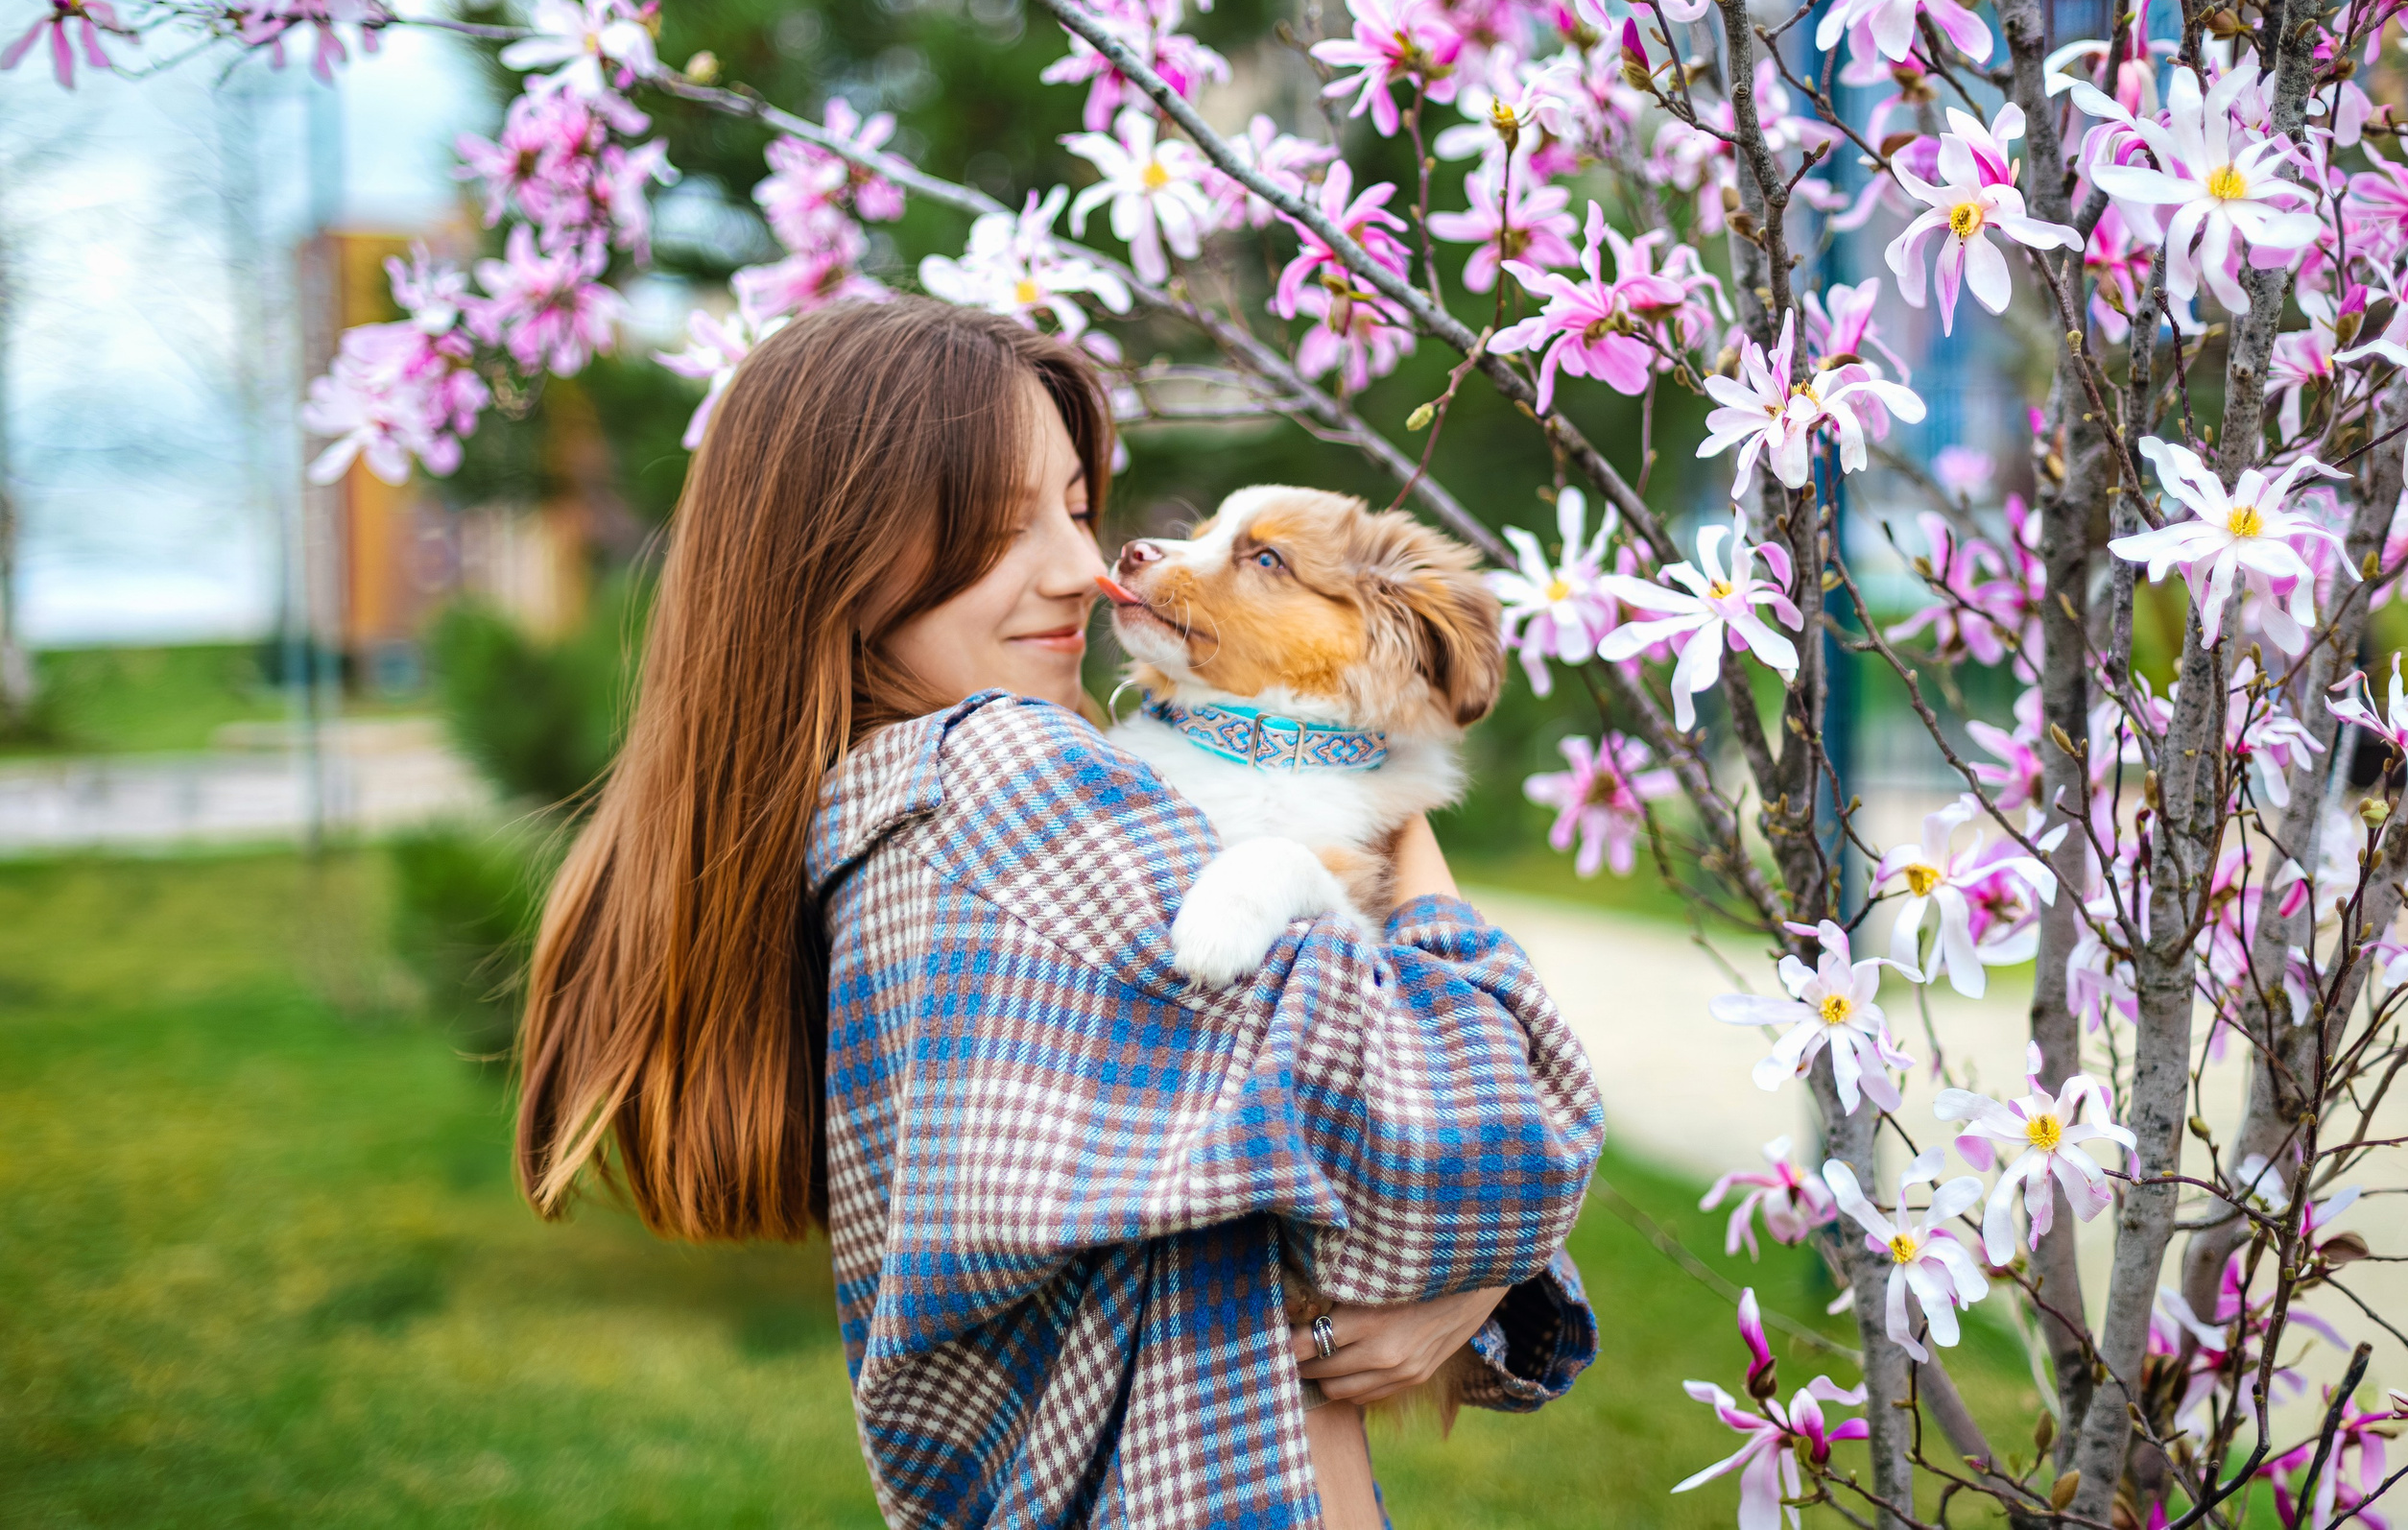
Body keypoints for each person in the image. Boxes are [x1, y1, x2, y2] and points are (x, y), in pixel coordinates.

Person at [515, 297, 1604, 1528]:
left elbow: (1339, 1184)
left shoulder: (887, 820)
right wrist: (1402, 832)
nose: (1081, 569)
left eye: (1078, 510)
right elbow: (1497, 1142)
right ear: (834, 557)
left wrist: (1460, 1262)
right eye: (994, 527)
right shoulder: (1005, 780)